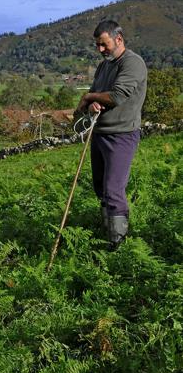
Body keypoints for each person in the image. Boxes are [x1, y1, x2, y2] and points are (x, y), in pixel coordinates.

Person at [76, 20, 147, 250]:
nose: (100, 50)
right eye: (97, 45)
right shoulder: (103, 66)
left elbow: (116, 96)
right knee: (100, 186)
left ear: (118, 39)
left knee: (114, 189)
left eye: (104, 44)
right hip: (100, 134)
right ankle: (106, 231)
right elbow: (97, 94)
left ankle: (117, 246)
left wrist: (89, 98)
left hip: (121, 136)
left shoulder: (133, 64)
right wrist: (91, 106)